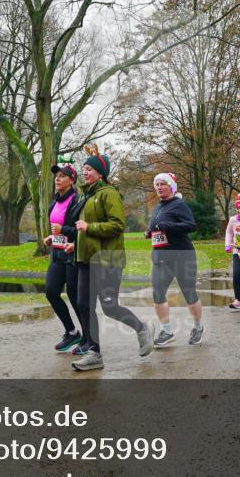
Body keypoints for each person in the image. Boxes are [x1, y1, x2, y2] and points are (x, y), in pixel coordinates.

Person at [71, 146, 154, 371]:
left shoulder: (109, 193)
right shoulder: (87, 195)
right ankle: (94, 352)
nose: (85, 172)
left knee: (109, 306)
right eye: (84, 168)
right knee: (83, 305)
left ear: (101, 172)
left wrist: (89, 227)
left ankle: (142, 328)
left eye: (89, 169)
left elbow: (117, 225)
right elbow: (83, 230)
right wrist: (74, 243)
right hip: (87, 259)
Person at [147, 173, 203, 347]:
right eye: (157, 184)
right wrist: (150, 232)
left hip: (182, 256)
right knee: (157, 293)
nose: (159, 187)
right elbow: (158, 227)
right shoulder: (158, 207)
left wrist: (168, 227)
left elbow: (191, 225)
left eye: (163, 184)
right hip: (161, 257)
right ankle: (166, 330)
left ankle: (197, 326)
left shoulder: (179, 204)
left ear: (171, 187)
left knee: (189, 293)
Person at [42, 161, 83, 353]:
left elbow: (82, 230)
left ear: (72, 180)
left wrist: (63, 230)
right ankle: (72, 332)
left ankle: (88, 338)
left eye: (63, 175)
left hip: (73, 254)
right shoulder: (54, 203)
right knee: (51, 292)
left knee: (75, 298)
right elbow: (58, 229)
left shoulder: (77, 201)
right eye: (56, 175)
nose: (57, 178)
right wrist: (52, 237)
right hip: (57, 254)